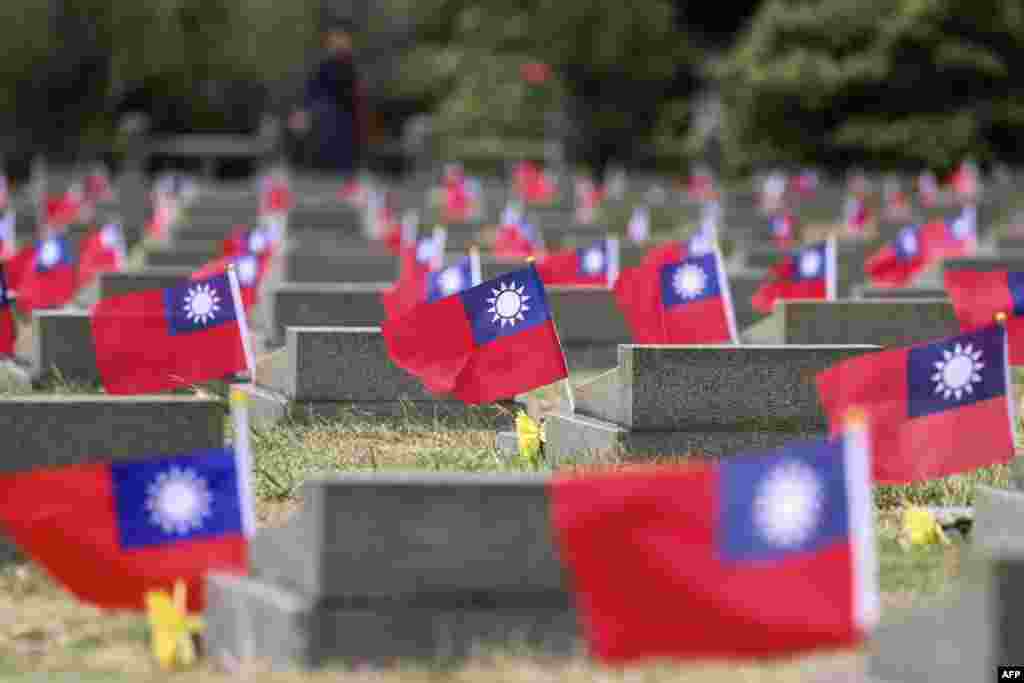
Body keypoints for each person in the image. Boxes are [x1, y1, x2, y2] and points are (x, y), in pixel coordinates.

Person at [289, 19, 367, 177]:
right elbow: (310, 92)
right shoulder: (321, 65)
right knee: (300, 122)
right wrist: (302, 112)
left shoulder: (350, 68)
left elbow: (353, 98)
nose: (338, 42)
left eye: (341, 38)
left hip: (341, 121)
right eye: (334, 39)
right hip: (320, 116)